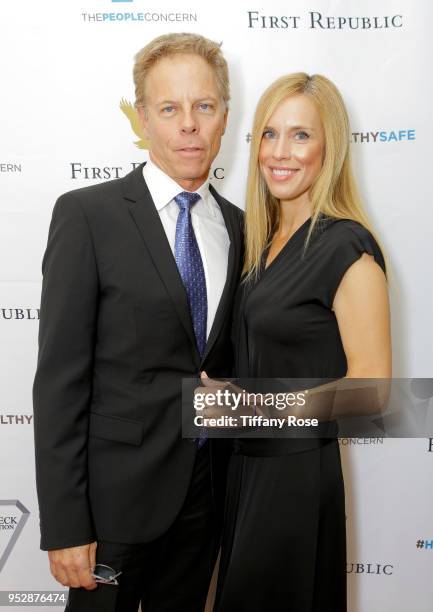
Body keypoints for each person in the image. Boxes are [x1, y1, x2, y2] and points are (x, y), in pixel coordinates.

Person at [32, 33, 243, 612]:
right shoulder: (87, 215)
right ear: (143, 119)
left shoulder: (241, 226)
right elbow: (58, 383)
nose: (189, 125)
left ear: (225, 114)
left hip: (207, 500)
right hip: (112, 506)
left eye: (204, 106)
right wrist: (65, 523)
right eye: (169, 109)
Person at [200, 73, 391, 611]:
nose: (280, 153)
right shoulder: (256, 240)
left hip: (295, 477)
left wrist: (253, 409)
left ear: (329, 146)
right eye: (269, 134)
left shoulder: (346, 246)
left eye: (301, 136)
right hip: (242, 471)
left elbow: (373, 392)